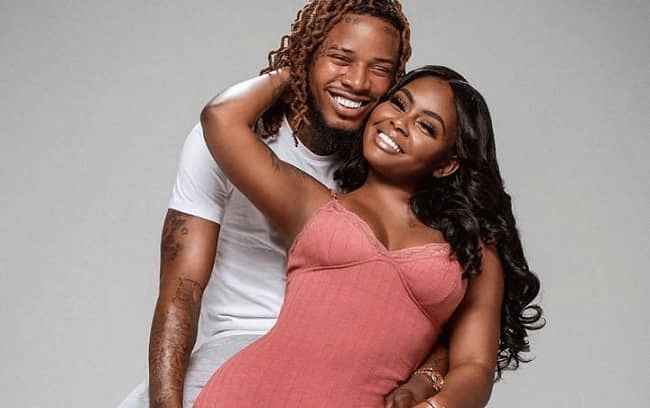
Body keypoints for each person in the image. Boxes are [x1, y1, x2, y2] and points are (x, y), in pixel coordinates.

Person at [118, 2, 452, 407]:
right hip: (239, 343)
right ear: (308, 54)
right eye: (340, 58)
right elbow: (181, 289)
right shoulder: (233, 142)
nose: (357, 81)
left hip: (350, 362)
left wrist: (425, 382)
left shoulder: (394, 168)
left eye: (379, 69)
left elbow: (436, 308)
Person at [193, 65, 543, 407]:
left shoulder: (472, 251)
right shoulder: (311, 203)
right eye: (398, 104)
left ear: (446, 164)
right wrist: (301, 64)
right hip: (245, 394)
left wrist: (436, 405)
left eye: (425, 125)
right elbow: (221, 117)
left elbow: (475, 366)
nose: (399, 123)